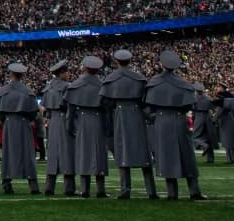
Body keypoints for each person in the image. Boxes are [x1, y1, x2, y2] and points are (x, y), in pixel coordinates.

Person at [144, 50, 206, 200]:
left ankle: (172, 193)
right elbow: (189, 105)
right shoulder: (184, 84)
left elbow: (147, 107)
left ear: (161, 65)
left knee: (166, 156)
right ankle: (194, 191)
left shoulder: (153, 83)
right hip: (179, 120)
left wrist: (154, 117)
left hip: (161, 121)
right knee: (187, 155)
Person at [100, 49, 158, 199]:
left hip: (119, 114)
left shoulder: (111, 79)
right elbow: (146, 100)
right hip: (137, 114)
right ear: (130, 61)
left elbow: (105, 101)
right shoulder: (139, 78)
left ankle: (125, 190)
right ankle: (151, 191)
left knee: (122, 150)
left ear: (116, 62)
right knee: (143, 151)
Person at [65, 56, 109, 198]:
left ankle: (85, 189)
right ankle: (101, 189)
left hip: (82, 121)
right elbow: (107, 108)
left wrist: (70, 127)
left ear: (84, 68)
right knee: (99, 154)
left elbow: (70, 111)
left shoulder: (76, 85)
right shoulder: (102, 85)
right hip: (98, 120)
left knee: (83, 154)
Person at [0, 63, 41, 195]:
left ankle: (7, 184)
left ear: (10, 74)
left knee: (8, 154)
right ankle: (33, 186)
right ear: (22, 75)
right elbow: (33, 113)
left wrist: (7, 119)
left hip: (9, 124)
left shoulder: (3, 91)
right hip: (24, 124)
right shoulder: (28, 92)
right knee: (27, 154)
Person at [42, 60, 76, 196]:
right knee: (67, 153)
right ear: (62, 73)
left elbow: (46, 109)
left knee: (53, 154)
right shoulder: (68, 87)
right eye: (67, 72)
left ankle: (49, 187)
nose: (68, 74)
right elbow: (71, 106)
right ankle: (69, 188)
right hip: (64, 119)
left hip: (52, 121)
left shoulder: (49, 88)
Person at [192, 83, 219, 164]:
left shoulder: (194, 98)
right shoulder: (208, 98)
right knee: (208, 137)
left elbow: (191, 108)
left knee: (195, 136)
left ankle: (204, 145)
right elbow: (214, 108)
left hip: (199, 116)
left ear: (196, 90)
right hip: (208, 117)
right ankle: (210, 159)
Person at [215, 86, 234, 164]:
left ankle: (229, 159)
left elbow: (218, 114)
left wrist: (214, 120)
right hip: (232, 121)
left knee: (227, 142)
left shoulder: (223, 103)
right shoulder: (232, 102)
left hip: (225, 122)